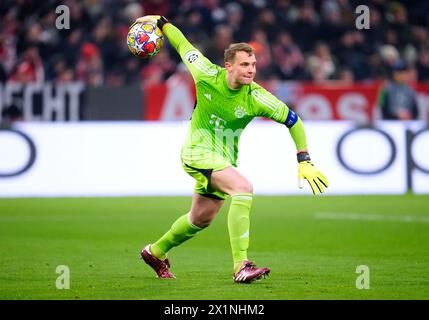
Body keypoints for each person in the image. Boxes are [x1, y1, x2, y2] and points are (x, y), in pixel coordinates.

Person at [136, 15, 329, 283]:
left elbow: (293, 121)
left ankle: (155, 252)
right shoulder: (205, 73)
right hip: (196, 151)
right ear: (228, 66)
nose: (251, 70)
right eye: (245, 64)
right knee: (243, 188)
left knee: (200, 219)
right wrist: (161, 21)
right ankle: (241, 266)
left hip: (221, 158)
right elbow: (183, 45)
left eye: (253, 65)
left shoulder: (256, 97)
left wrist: (304, 159)